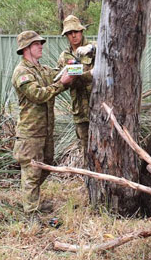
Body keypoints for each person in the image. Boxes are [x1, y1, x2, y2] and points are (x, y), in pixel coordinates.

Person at [12, 30, 75, 215]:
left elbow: (58, 74)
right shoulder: (22, 72)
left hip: (45, 130)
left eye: (40, 43)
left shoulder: (42, 69)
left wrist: (75, 64)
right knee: (32, 173)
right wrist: (61, 84)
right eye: (36, 44)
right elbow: (38, 95)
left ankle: (30, 200)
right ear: (26, 49)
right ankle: (31, 213)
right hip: (30, 133)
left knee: (45, 164)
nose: (40, 46)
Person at [55, 15, 96, 160]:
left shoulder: (93, 48)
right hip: (80, 110)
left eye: (76, 32)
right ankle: (89, 181)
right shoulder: (64, 56)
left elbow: (107, 50)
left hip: (97, 106)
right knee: (86, 150)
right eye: (70, 33)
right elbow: (62, 79)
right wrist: (88, 75)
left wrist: (91, 48)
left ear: (81, 31)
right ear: (66, 35)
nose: (74, 35)